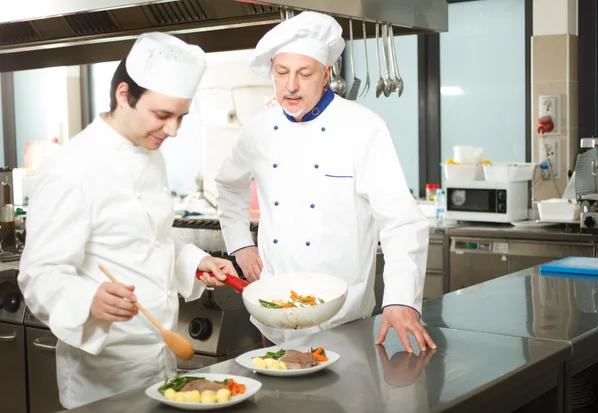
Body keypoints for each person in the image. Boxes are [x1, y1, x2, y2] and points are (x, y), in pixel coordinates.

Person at [18, 32, 238, 409]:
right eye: (162, 115)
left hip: (160, 361)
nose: (173, 131)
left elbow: (150, 241)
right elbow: (39, 273)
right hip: (102, 378)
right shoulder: (73, 167)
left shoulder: (151, 153)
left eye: (181, 117)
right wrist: (88, 299)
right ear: (124, 95)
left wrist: (194, 262)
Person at [214, 12, 436, 352]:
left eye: (305, 73)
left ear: (326, 73)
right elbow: (229, 185)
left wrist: (401, 299)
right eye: (282, 72)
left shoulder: (363, 128)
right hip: (275, 318)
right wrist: (241, 245)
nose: (291, 86)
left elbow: (401, 222)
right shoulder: (258, 129)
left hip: (343, 318)